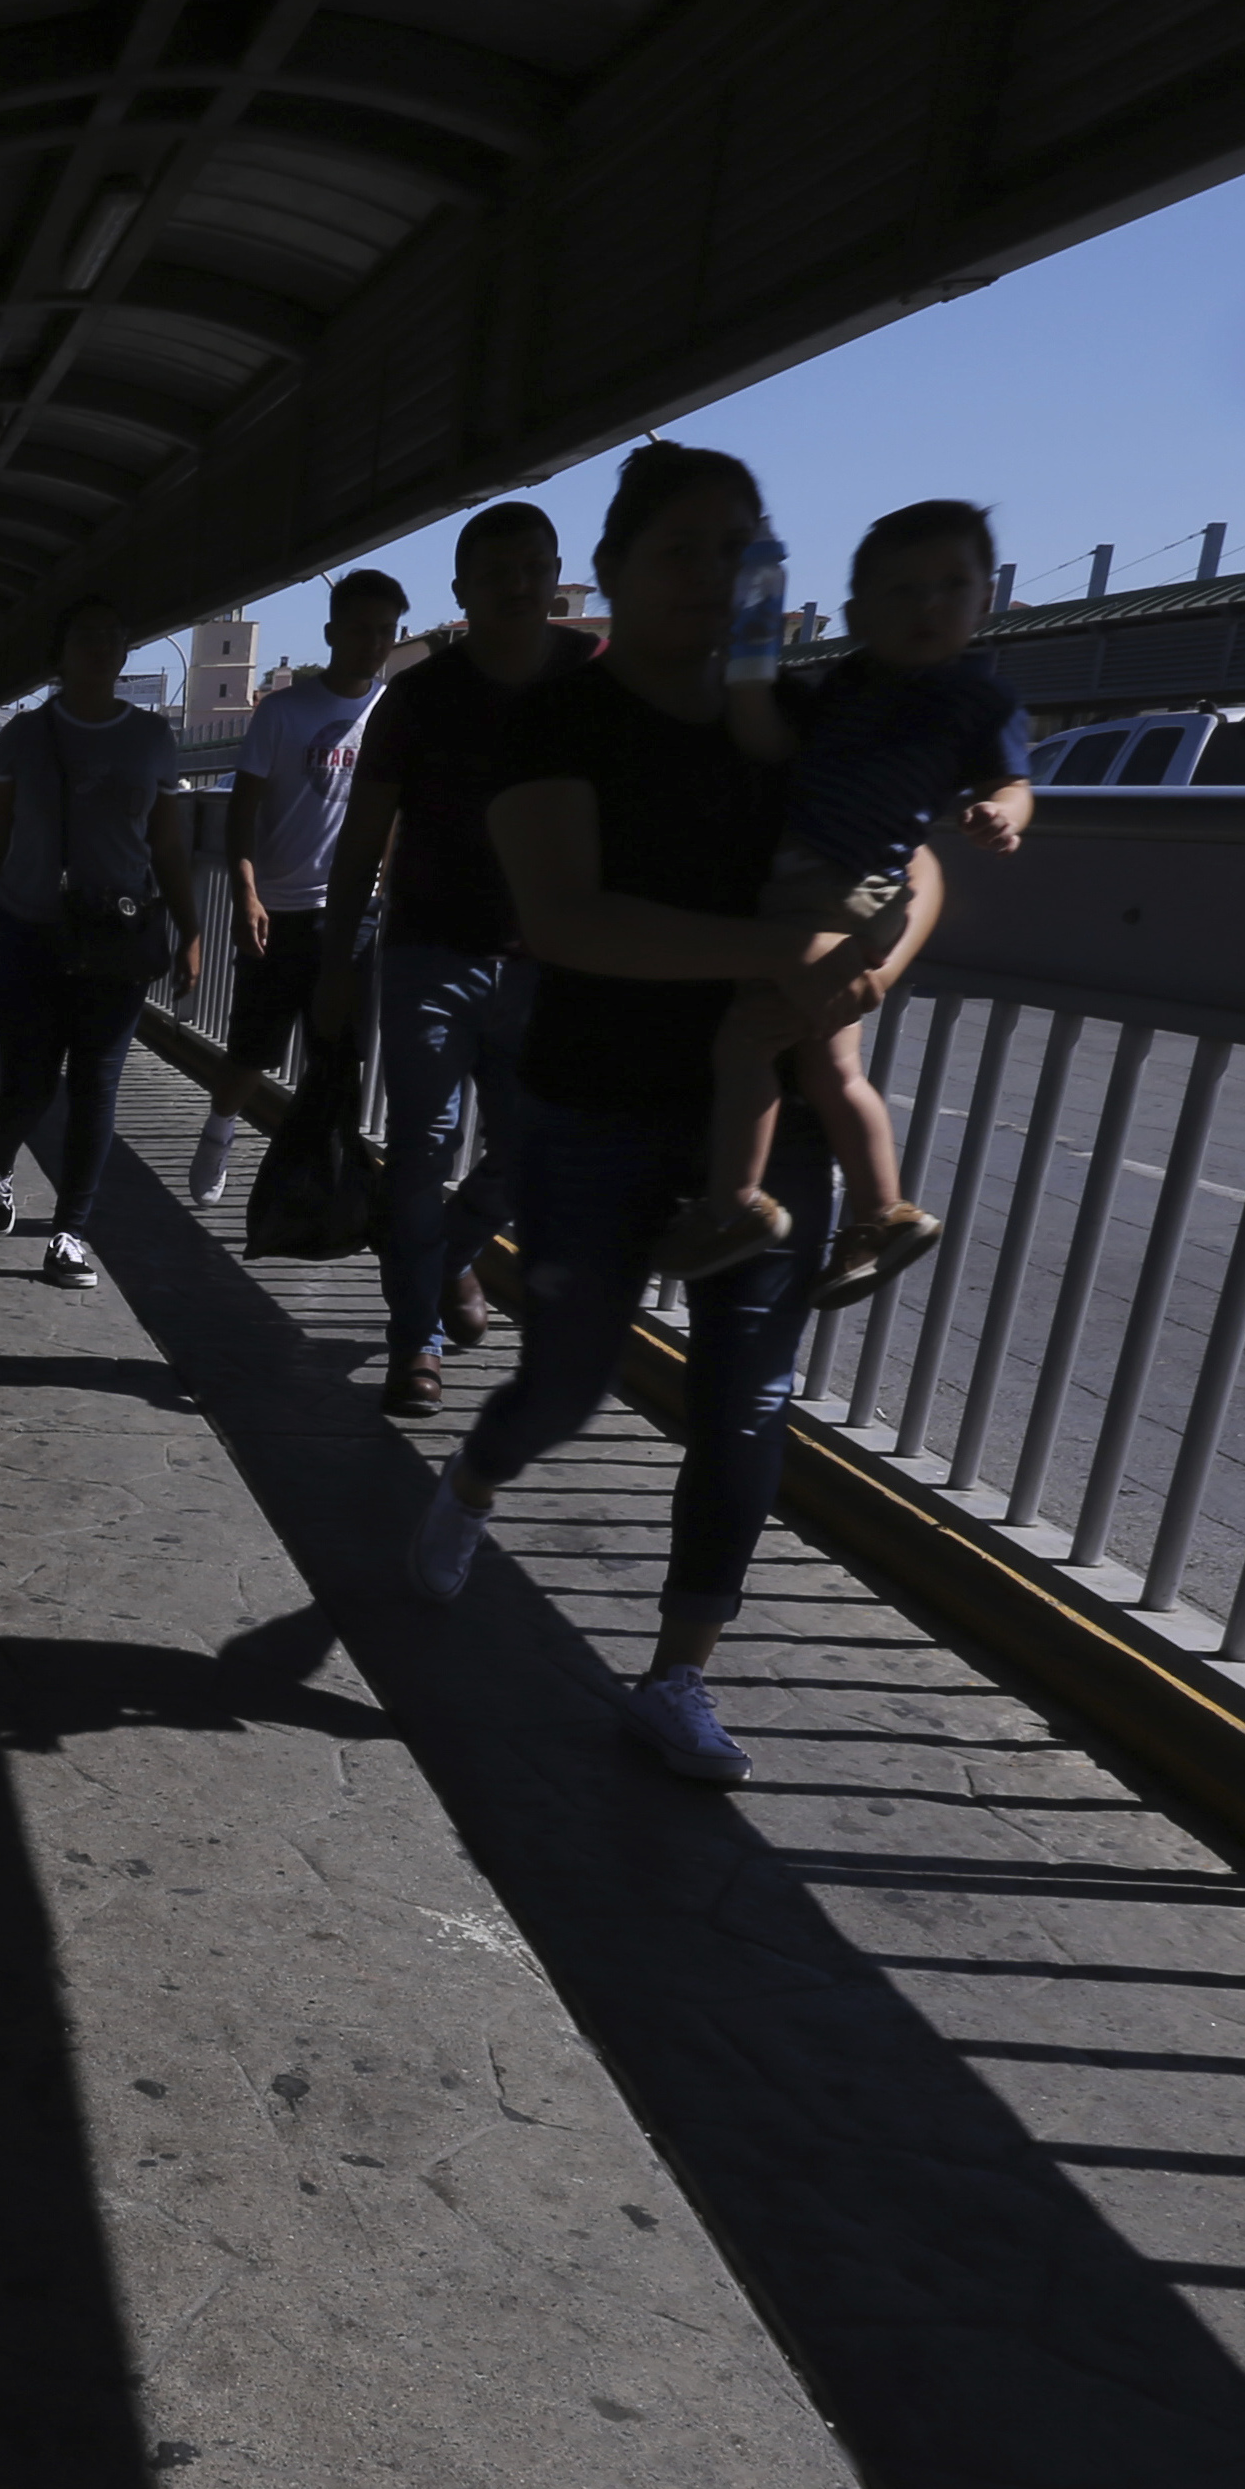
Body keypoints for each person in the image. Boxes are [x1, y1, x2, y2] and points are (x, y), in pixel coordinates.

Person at [403, 443, 938, 1789]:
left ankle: (677, 1674)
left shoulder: (808, 713)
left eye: (735, 548)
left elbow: (915, 857)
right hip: (599, 1100)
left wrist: (864, 967)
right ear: (620, 569)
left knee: (744, 1398)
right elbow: (568, 919)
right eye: (678, 551)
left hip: (769, 1123)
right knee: (569, 1378)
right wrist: (775, 948)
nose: (710, 576)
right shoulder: (559, 722)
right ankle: (473, 1473)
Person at [657, 498, 1026, 1296]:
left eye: (949, 585)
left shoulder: (976, 699)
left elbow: (1010, 780)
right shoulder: (847, 685)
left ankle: (734, 1203)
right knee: (828, 1066)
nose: (927, 606)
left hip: (844, 889)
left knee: (748, 1041)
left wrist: (1000, 815)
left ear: (983, 599)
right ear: (857, 613)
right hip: (819, 884)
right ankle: (880, 1211)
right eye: (901, 591)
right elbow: (780, 746)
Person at [316, 503, 592, 1417]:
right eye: (496, 572)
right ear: (461, 591)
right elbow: (361, 838)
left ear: (557, 573)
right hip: (429, 951)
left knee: (529, 1154)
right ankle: (413, 1345)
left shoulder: (594, 680)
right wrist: (334, 963)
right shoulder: (420, 697)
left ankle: (450, 1255)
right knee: (420, 1151)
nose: (518, 585)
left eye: (533, 567)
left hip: (549, 965)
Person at [0, 598, 200, 1290]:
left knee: (97, 1085)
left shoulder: (153, 737)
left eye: (113, 637)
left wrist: (190, 929)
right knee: (30, 1083)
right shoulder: (22, 738)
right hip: (28, 931)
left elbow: (167, 843)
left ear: (125, 654)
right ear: (59, 653)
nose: (101, 648)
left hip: (116, 937)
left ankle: (69, 1231)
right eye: (86, 637)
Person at [195, 570, 407, 1207]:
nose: (373, 643)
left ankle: (327, 1176)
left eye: (385, 632)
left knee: (338, 1056)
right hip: (279, 910)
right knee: (252, 1049)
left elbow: (399, 807)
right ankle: (220, 1130)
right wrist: (246, 893)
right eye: (361, 629)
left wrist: (384, 885)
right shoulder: (285, 712)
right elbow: (242, 811)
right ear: (332, 633)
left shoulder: (391, 712)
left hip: (354, 913)